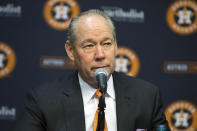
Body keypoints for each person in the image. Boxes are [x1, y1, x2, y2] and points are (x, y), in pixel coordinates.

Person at [14, 9, 170, 131]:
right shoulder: (44, 101)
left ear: (115, 45)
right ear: (70, 50)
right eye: (89, 46)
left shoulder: (147, 96)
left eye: (107, 44)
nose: (100, 55)